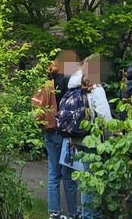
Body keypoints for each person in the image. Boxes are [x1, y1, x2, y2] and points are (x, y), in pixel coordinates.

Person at [66, 55, 112, 219]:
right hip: (92, 139)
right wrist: (111, 139)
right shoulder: (96, 89)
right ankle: (90, 215)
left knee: (86, 176)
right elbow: (105, 118)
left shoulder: (74, 86)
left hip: (77, 137)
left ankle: (87, 214)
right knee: (92, 181)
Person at [43, 50, 81, 219]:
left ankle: (54, 212)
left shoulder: (49, 78)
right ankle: (73, 212)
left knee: (53, 173)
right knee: (68, 175)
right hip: (65, 131)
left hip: (49, 129)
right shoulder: (68, 80)